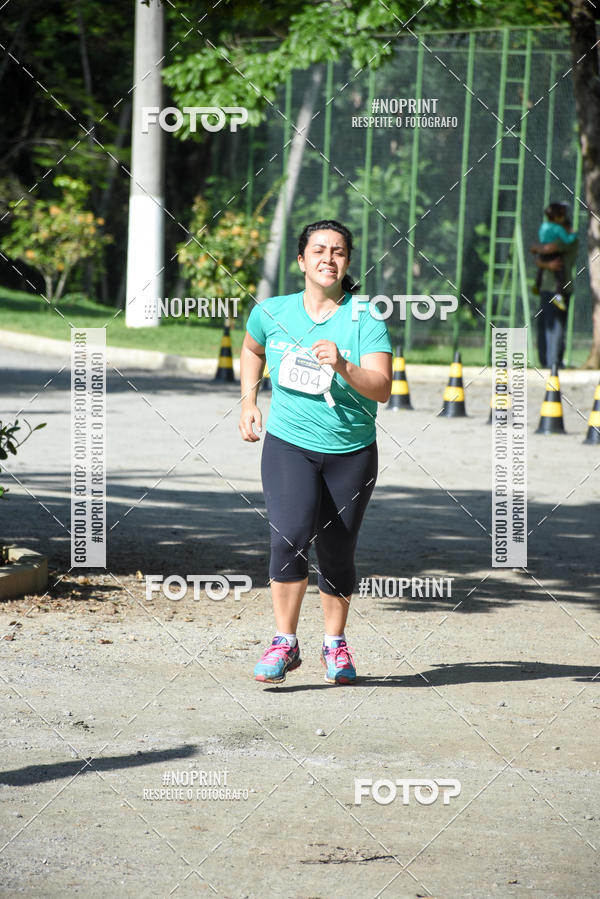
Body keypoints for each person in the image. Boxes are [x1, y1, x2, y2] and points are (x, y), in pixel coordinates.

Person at [239, 220, 392, 685]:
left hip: (351, 451)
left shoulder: (365, 317)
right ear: (301, 260)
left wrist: (343, 365)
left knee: (337, 550)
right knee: (289, 537)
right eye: (319, 250)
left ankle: (334, 644)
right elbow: (251, 349)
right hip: (289, 445)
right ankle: (284, 642)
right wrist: (248, 400)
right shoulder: (272, 311)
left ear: (347, 262)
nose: (329, 258)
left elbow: (382, 388)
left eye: (339, 251)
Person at [530, 201, 578, 369]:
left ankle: (553, 362)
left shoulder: (568, 240)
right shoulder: (557, 234)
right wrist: (545, 263)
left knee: (555, 325)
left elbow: (547, 249)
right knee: (545, 323)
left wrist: (537, 248)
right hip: (546, 287)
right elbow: (539, 256)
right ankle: (546, 361)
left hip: (560, 288)